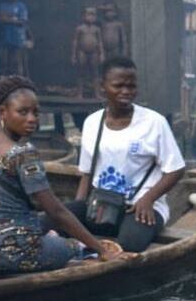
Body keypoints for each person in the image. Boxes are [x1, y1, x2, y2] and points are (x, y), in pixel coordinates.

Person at [0, 76, 119, 273]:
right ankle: (72, 246)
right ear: (3, 112)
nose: (32, 119)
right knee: (70, 246)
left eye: (36, 113)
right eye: (23, 112)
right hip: (18, 251)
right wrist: (101, 248)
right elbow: (56, 211)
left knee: (47, 231)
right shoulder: (23, 152)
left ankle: (50, 238)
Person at [54, 56, 186, 252]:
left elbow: (175, 169)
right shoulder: (92, 123)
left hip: (140, 208)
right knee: (51, 220)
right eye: (119, 86)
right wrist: (79, 208)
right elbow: (87, 174)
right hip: (101, 206)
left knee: (129, 245)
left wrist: (148, 199)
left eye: (131, 86)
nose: (126, 92)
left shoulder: (154, 123)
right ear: (102, 87)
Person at [0, 0, 32, 76]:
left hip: (18, 41)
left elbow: (23, 21)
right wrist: (12, 19)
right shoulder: (2, 6)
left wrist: (7, 19)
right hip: (5, 41)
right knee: (4, 64)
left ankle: (19, 86)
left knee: (18, 65)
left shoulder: (21, 6)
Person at [72, 6, 104, 97]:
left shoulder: (97, 29)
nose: (91, 17)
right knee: (81, 72)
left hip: (94, 52)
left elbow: (100, 41)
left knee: (95, 72)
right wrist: (74, 55)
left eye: (93, 15)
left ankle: (97, 93)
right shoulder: (80, 28)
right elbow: (75, 41)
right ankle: (79, 93)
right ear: (83, 16)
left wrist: (102, 54)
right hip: (82, 52)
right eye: (89, 14)